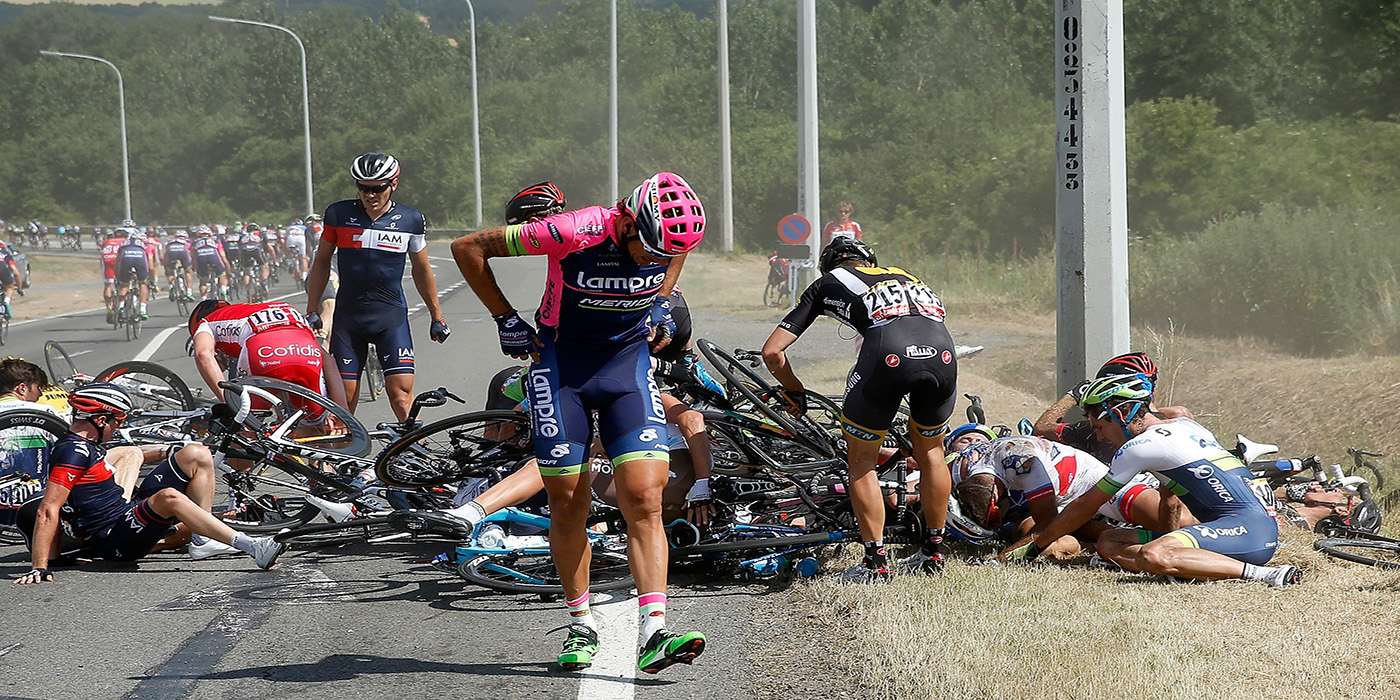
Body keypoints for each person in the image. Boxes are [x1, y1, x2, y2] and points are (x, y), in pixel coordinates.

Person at [450, 171, 707, 674]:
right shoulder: (574, 229)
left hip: (626, 369)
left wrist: (656, 306)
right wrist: (505, 317)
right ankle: (580, 621)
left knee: (645, 498)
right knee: (569, 502)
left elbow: (675, 252)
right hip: (560, 368)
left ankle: (654, 632)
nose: (655, 262)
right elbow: (467, 249)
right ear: (630, 223)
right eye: (648, 252)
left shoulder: (668, 239)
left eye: (665, 256)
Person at [760, 238, 957, 581]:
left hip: (889, 354)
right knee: (932, 455)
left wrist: (794, 391)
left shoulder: (828, 281)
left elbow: (772, 353)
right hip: (942, 355)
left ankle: (875, 564)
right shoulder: (906, 275)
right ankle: (934, 553)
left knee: (862, 462)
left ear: (831, 265)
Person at [1003, 373, 1302, 587]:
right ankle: (1185, 566)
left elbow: (1082, 507)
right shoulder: (1185, 425)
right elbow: (1170, 499)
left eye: (1100, 426)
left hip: (1249, 532)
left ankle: (1266, 575)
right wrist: (1175, 539)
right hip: (1244, 525)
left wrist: (1031, 548)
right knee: (1110, 541)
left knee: (1153, 553)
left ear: (1120, 413)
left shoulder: (1140, 448)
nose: (1099, 437)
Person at [14, 383, 286, 584]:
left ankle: (203, 540)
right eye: (117, 420)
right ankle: (253, 547)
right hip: (112, 539)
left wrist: (173, 448)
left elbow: (135, 456)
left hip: (125, 514)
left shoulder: (88, 444)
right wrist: (39, 566)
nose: (118, 427)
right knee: (168, 497)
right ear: (100, 420)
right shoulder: (72, 452)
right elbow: (48, 508)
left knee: (196, 454)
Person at [304, 153, 451, 422]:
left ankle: (412, 455)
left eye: (378, 188)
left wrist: (437, 316)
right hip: (349, 318)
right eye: (363, 188)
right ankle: (342, 458)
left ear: (393, 184)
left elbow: (422, 270)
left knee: (401, 398)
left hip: (390, 318)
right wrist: (312, 308)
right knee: (343, 403)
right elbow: (322, 261)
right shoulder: (338, 214)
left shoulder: (411, 219)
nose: (369, 195)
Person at [943, 429, 1188, 559]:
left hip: (1089, 482)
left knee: (1177, 523)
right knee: (1049, 548)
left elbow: (1047, 526)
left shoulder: (1021, 462)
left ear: (998, 501)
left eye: (995, 521)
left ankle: (1214, 534)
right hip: (1052, 500)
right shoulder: (955, 467)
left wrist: (1003, 558)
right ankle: (1103, 542)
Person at [1034, 352, 1193, 463]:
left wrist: (1074, 395)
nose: (1100, 435)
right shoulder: (1177, 418)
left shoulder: (1093, 429)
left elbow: (1041, 428)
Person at [187, 299, 348, 410]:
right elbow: (329, 361)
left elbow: (203, 355)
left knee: (244, 433)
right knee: (317, 432)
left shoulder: (206, 323)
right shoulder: (271, 308)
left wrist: (228, 402)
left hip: (263, 352)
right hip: (306, 350)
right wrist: (343, 411)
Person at [114, 229, 155, 320]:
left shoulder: (124, 244)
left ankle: (121, 307)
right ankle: (143, 310)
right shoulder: (145, 245)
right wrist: (152, 280)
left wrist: (118, 278)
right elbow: (151, 267)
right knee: (143, 284)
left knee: (124, 285)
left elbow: (117, 263)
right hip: (140, 260)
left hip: (125, 260)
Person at [192, 225, 232, 300]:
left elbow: (194, 257)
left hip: (200, 257)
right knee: (222, 275)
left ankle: (204, 299)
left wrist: (194, 268)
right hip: (214, 256)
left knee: (203, 281)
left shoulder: (195, 242)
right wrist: (228, 271)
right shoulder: (216, 241)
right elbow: (223, 257)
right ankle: (223, 290)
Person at [163, 230, 196, 301]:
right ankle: (189, 293)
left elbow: (166, 254)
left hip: (171, 252)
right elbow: (192, 253)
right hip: (183, 252)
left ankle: (171, 287)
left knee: (170, 272)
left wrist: (166, 266)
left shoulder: (170, 241)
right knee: (188, 272)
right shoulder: (188, 241)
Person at [0, 239, 20, 317]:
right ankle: (6, 302)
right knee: (10, 287)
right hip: (3, 269)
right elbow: (16, 273)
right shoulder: (5, 254)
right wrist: (19, 289)